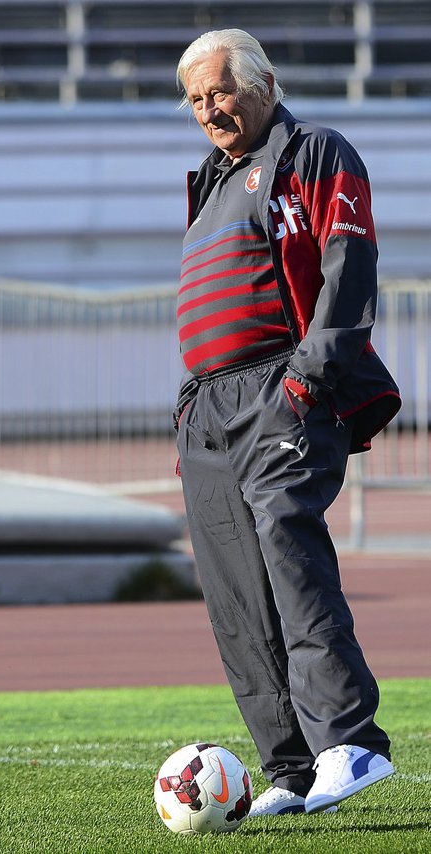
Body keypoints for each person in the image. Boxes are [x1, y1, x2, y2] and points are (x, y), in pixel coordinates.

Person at [172, 29, 401, 817]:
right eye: (196, 99)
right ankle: (292, 767)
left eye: (219, 91)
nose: (209, 110)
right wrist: (191, 408)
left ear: (263, 81)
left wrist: (308, 379)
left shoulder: (314, 152)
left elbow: (348, 259)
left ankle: (352, 743)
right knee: (234, 591)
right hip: (209, 410)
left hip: (282, 388)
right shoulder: (208, 179)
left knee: (287, 551)